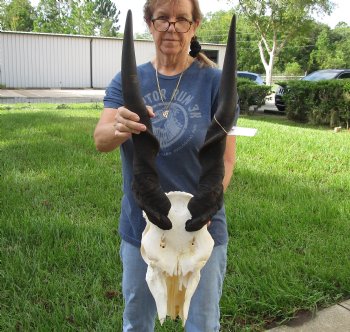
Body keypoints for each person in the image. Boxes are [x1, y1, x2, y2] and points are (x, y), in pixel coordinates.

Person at [94, 0, 239, 330]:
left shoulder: (215, 82)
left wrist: (207, 205)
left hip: (201, 229)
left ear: (195, 26)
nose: (172, 27)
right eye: (163, 19)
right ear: (149, 23)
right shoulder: (128, 80)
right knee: (138, 322)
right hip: (143, 229)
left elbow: (226, 159)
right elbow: (101, 139)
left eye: (181, 20)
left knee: (202, 324)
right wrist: (119, 126)